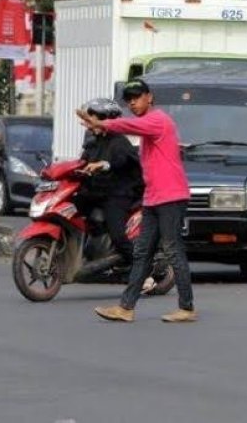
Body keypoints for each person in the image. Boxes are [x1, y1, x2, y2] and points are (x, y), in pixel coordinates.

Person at [76, 79, 196, 323]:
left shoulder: (157, 120)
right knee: (141, 253)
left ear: (149, 97)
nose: (132, 101)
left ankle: (187, 308)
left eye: (137, 96)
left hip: (171, 197)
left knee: (173, 250)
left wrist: (102, 123)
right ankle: (126, 307)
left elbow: (129, 125)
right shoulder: (147, 127)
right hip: (153, 198)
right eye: (129, 98)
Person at [75, 98, 143, 267]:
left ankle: (142, 271)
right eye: (87, 120)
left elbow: (117, 162)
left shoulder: (120, 143)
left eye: (92, 119)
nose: (88, 124)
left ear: (107, 120)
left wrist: (103, 165)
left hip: (118, 194)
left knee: (118, 235)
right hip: (97, 191)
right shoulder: (92, 143)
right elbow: (81, 163)